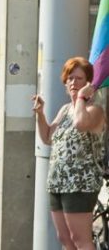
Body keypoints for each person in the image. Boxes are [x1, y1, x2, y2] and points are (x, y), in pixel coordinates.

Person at [34, 57, 106, 250]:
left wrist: (82, 98)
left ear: (88, 83)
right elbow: (48, 137)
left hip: (80, 184)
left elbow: (81, 124)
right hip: (58, 182)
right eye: (70, 78)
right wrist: (40, 115)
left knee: (80, 239)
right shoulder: (65, 109)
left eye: (79, 78)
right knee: (65, 238)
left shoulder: (95, 110)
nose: (73, 83)